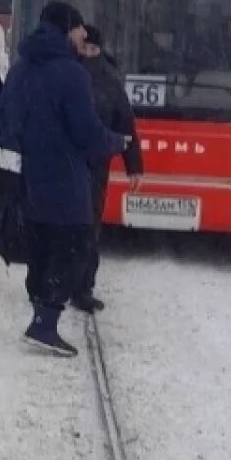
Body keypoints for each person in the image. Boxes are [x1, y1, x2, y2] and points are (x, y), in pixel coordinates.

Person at [0, 2, 125, 357]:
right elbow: (86, 133)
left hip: (28, 175)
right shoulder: (72, 74)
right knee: (73, 247)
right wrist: (115, 141)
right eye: (80, 27)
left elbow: (5, 116)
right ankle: (44, 323)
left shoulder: (21, 69)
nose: (84, 34)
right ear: (66, 28)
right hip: (65, 177)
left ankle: (40, 308)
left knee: (40, 245)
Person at [73, 24, 144, 313]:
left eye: (93, 49)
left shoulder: (110, 80)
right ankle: (56, 282)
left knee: (89, 227)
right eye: (85, 48)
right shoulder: (65, 73)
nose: (89, 54)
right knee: (64, 226)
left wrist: (134, 165)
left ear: (100, 50)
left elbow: (125, 123)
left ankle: (83, 287)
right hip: (67, 161)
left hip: (96, 165)